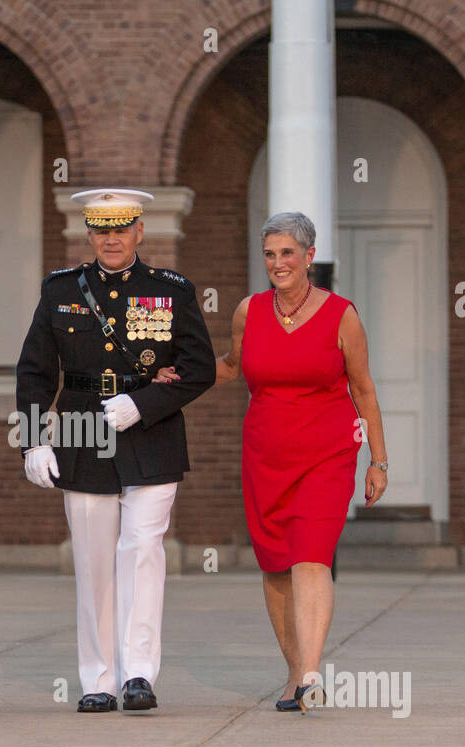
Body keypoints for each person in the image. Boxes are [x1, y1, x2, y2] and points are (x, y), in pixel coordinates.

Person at [161, 211, 387, 713]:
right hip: (266, 454)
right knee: (276, 565)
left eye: (288, 253)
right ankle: (295, 674)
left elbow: (364, 389)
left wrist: (379, 460)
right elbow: (231, 367)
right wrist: (178, 376)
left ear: (310, 256)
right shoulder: (249, 311)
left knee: (311, 555)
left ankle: (312, 675)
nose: (278, 262)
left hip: (327, 453)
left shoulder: (342, 315)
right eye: (270, 254)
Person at [15, 188, 215, 714]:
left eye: (121, 228)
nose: (111, 238)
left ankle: (139, 674)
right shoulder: (60, 289)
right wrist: (33, 440)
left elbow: (199, 369)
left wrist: (142, 403)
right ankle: (99, 679)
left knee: (142, 553)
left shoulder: (171, 290)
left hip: (151, 432)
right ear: (89, 233)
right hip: (82, 432)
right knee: (93, 561)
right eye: (101, 229)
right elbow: (35, 371)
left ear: (139, 231)